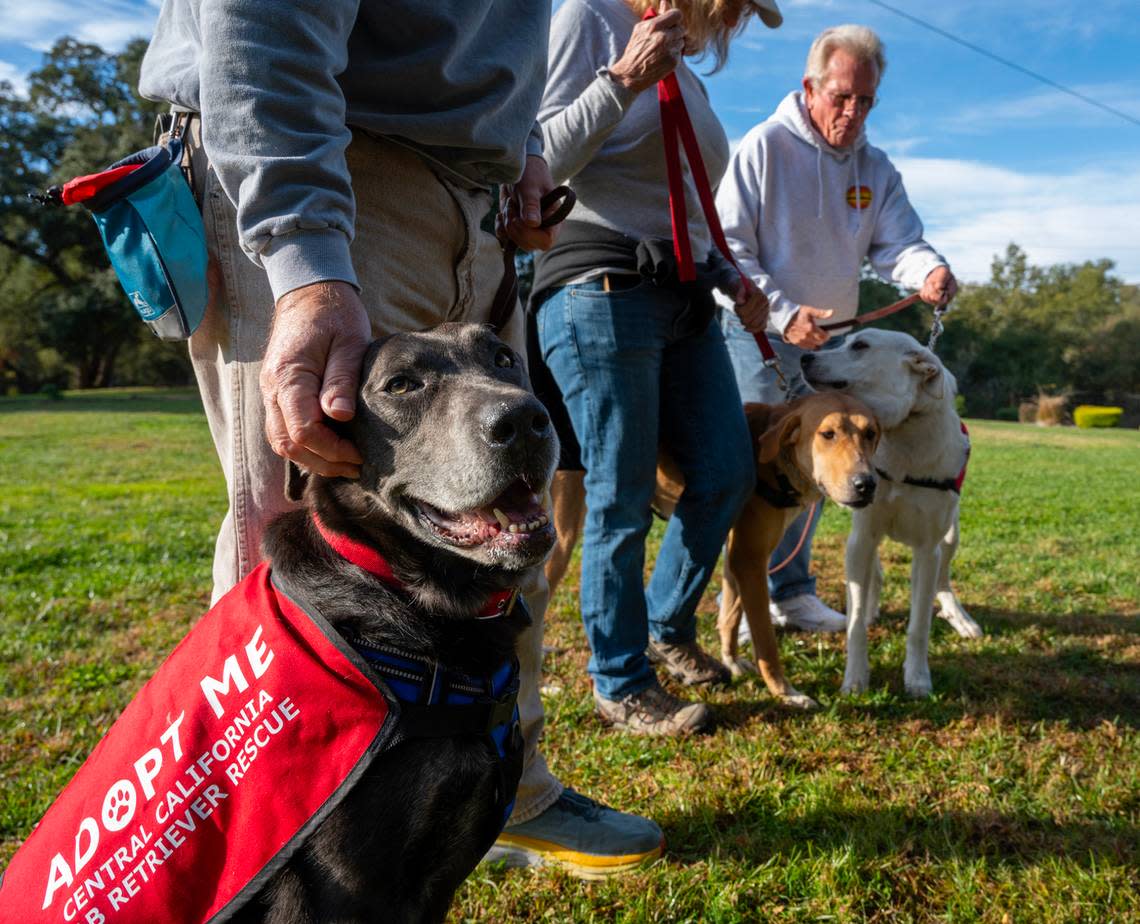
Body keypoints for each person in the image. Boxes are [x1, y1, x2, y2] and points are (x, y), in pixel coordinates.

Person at [137, 0, 663, 879]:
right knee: (295, 536)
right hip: (320, 154)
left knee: (503, 510)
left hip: (477, 197)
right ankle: (283, 845)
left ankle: (503, 792)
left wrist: (523, 153)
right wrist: (303, 257)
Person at [534, 0, 781, 737]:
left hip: (683, 295)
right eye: (728, 4)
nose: (731, 20)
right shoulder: (587, 18)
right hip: (598, 287)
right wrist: (622, 79)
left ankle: (666, 624)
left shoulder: (692, 78)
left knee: (728, 472)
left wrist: (727, 274)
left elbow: (682, 201)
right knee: (621, 492)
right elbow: (536, 158)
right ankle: (620, 682)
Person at [715, 23, 958, 634]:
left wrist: (928, 271)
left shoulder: (874, 168)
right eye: (842, 97)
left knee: (825, 469)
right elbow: (729, 244)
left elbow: (899, 242)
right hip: (757, 333)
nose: (853, 113)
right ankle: (747, 598)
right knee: (760, 473)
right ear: (811, 86)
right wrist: (779, 311)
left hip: (829, 349)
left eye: (866, 101)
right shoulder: (766, 146)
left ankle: (792, 593)